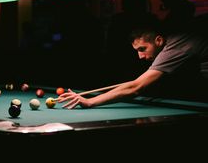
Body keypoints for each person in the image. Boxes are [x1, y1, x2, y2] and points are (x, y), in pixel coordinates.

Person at [58, 17, 208, 109]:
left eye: (143, 49)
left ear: (159, 40)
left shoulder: (174, 46)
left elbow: (136, 87)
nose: (140, 56)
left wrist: (90, 101)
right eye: (137, 50)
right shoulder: (176, 41)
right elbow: (135, 83)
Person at [104, 0, 154, 82]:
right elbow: (110, 47)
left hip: (138, 68)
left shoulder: (117, 20)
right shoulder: (150, 19)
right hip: (124, 67)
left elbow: (108, 48)